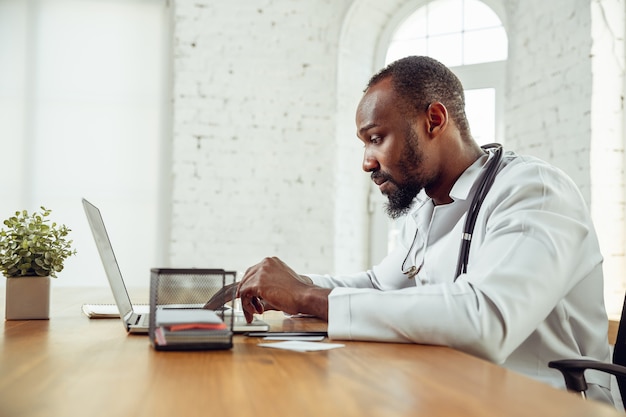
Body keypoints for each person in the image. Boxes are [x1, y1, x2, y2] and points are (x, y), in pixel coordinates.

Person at [236, 56, 613, 403]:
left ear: (434, 120)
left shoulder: (534, 192)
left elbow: (485, 320)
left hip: (543, 403)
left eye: (376, 138)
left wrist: (306, 296)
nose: (367, 162)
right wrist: (290, 285)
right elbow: (380, 285)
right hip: (457, 392)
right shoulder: (430, 207)